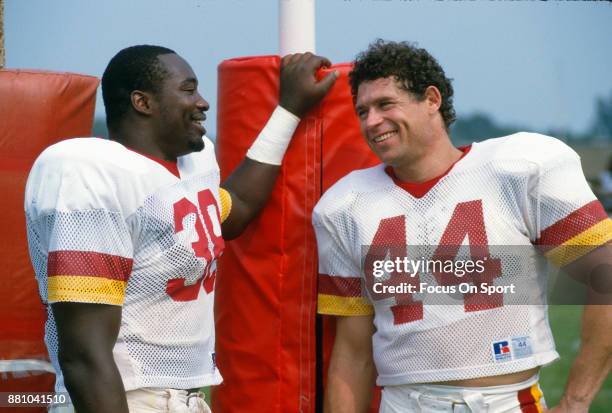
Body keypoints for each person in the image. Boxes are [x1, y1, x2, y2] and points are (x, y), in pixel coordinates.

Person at [25, 45, 337, 413]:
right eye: (188, 89)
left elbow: (238, 208)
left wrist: (288, 111)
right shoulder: (89, 172)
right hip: (120, 398)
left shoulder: (192, 165)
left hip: (185, 399)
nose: (203, 102)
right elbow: (84, 354)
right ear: (143, 102)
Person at [314, 40, 612, 413]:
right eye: (363, 110)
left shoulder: (514, 169)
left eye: (385, 104)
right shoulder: (345, 206)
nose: (371, 121)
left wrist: (576, 401)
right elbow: (352, 351)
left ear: (432, 99)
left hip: (505, 402)